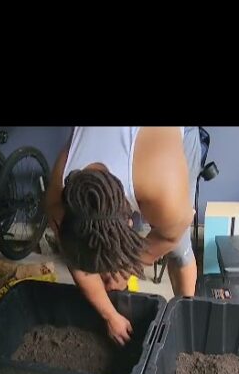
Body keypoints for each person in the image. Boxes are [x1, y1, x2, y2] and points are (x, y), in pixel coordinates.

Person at [43, 127, 203, 345]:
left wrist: (129, 268)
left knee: (179, 251)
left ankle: (186, 327)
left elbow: (174, 232)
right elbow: (75, 256)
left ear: (130, 221)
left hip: (165, 142)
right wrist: (110, 315)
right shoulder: (59, 194)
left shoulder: (163, 190)